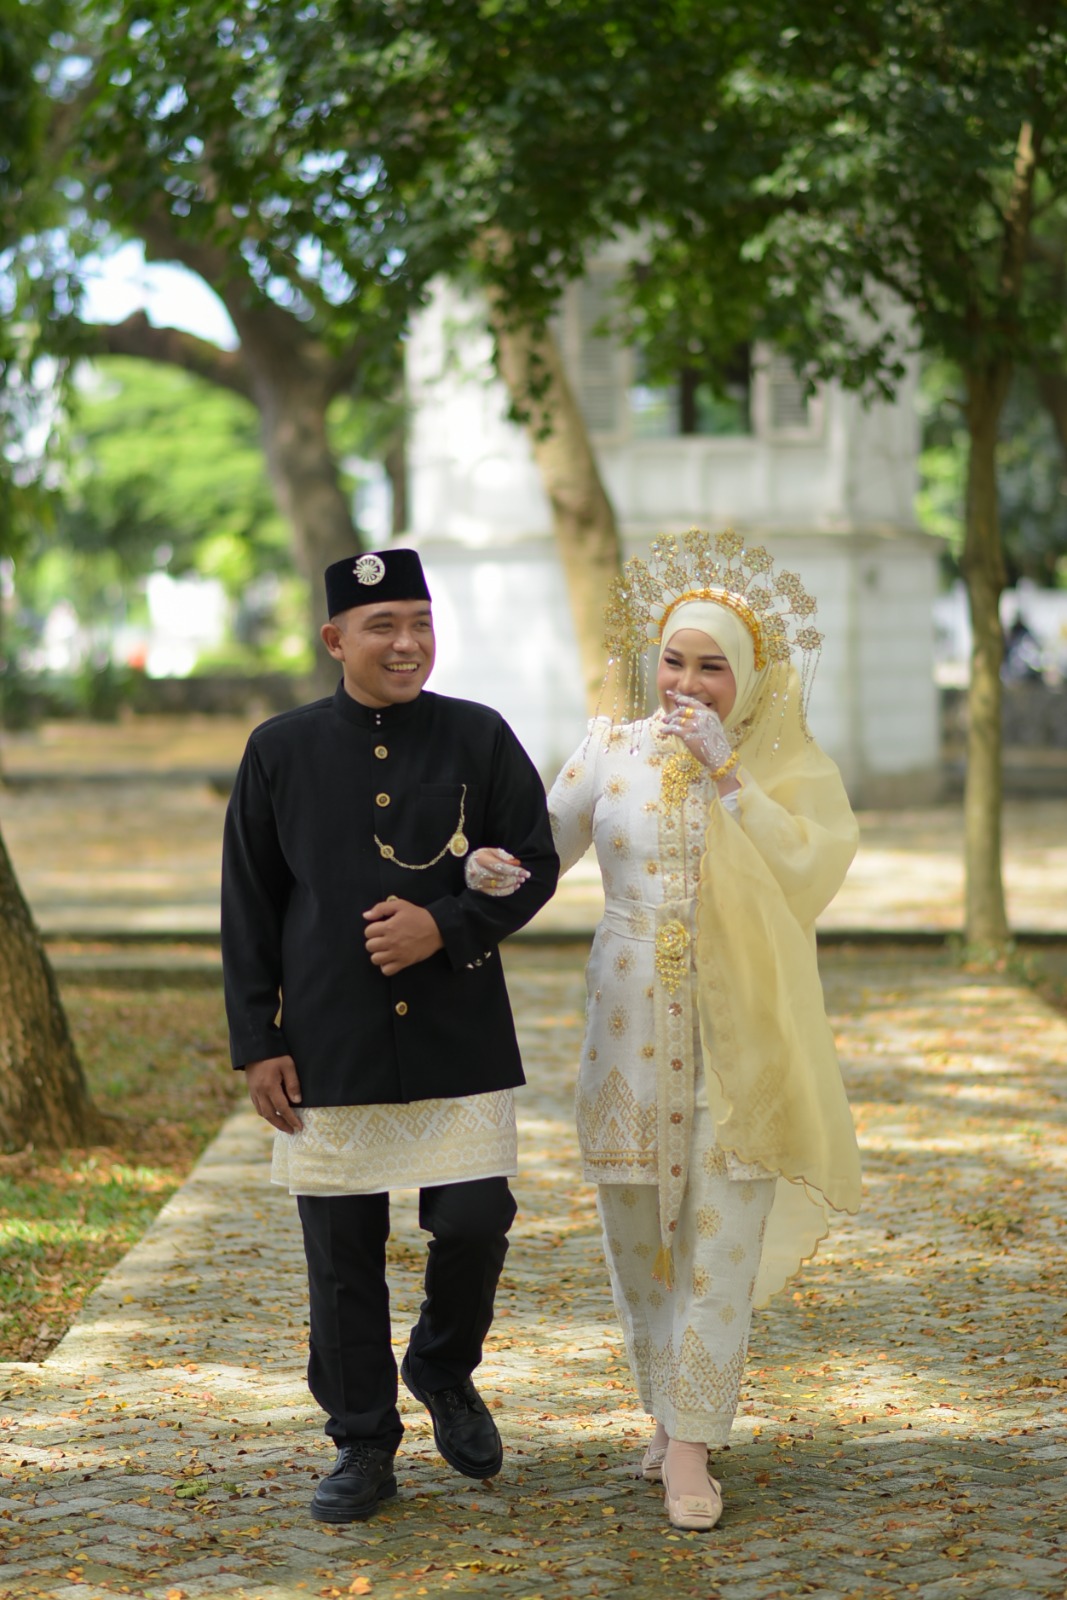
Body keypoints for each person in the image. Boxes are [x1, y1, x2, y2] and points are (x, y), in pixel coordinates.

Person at [221, 548, 558, 1523]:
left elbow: (531, 860)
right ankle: (362, 1442)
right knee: (341, 1253)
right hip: (330, 1037)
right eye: (382, 626)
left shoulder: (477, 736)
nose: (407, 643)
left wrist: (446, 925)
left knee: (476, 1219)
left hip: (457, 1027)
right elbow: (249, 902)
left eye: (420, 622)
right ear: (335, 639)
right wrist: (258, 1040)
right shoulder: (279, 750)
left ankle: (442, 1366)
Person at [545, 529, 861, 1532]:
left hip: (740, 1038)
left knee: (719, 1237)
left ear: (749, 675)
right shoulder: (608, 750)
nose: (687, 683)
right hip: (626, 1025)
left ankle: (690, 1444)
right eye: (673, 660)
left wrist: (729, 776)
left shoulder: (778, 767)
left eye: (711, 666)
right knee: (638, 1235)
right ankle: (666, 1410)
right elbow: (535, 853)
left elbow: (811, 870)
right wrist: (479, 873)